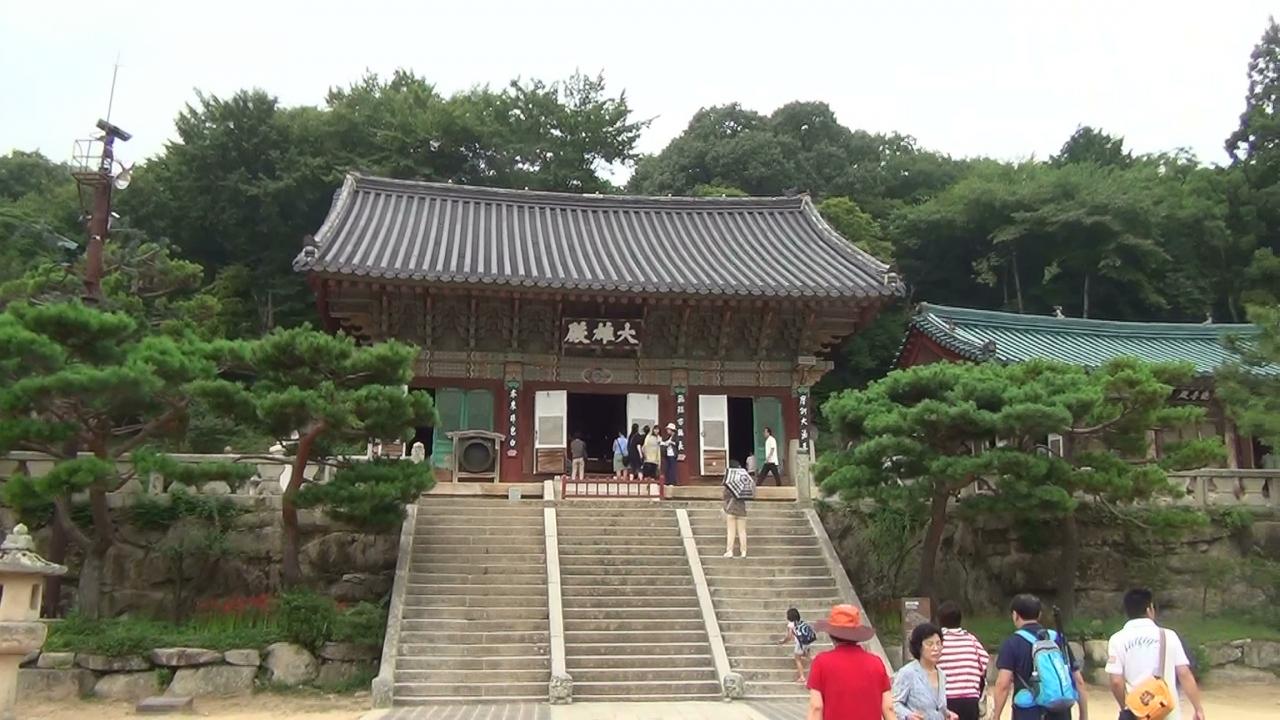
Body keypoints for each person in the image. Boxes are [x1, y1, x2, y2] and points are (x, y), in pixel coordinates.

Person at [1105, 589, 1205, 720]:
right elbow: (1184, 673)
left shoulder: (1117, 639)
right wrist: (1198, 708)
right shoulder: (1168, 636)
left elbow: (1116, 682)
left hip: (1138, 713)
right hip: (1166, 710)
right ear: (1149, 610)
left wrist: (1126, 707)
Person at [991, 594, 1089, 720]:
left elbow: (1003, 684)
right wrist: (1083, 715)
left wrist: (996, 716)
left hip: (1028, 713)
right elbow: (1078, 680)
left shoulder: (1012, 643)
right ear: (1039, 615)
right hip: (1060, 711)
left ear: (1015, 615)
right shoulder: (1056, 638)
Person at [807, 604, 893, 720]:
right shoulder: (876, 663)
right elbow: (888, 708)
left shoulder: (821, 662)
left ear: (831, 634)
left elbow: (816, 707)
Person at [937, 601, 990, 720]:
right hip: (970, 699)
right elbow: (985, 664)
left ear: (939, 620)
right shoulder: (971, 640)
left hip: (944, 699)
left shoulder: (938, 642)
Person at [894, 622, 957, 720]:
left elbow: (936, 707)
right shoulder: (908, 673)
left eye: (938, 643)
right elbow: (894, 703)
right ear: (919, 647)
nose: (935, 648)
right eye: (929, 644)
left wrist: (947, 714)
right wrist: (908, 715)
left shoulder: (941, 675)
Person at [781, 607, 816, 683]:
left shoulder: (791, 624)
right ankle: (819, 662)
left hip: (800, 644)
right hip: (807, 643)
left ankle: (802, 677)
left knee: (798, 659)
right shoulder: (801, 622)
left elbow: (789, 636)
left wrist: (783, 642)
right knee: (809, 657)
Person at [722, 461, 748, 558]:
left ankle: (730, 551)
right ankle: (743, 551)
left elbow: (725, 496)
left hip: (731, 509)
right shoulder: (744, 482)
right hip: (742, 510)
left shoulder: (729, 483)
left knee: (731, 531)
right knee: (742, 531)